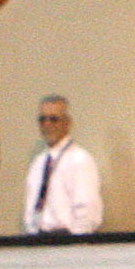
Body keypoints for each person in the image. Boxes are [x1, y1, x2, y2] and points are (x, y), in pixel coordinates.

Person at [22, 95, 103, 235]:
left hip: (68, 240)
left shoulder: (80, 159)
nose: (47, 124)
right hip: (40, 240)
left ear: (67, 123)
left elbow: (87, 208)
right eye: (42, 119)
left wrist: (76, 244)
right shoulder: (38, 163)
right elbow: (32, 207)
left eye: (53, 119)